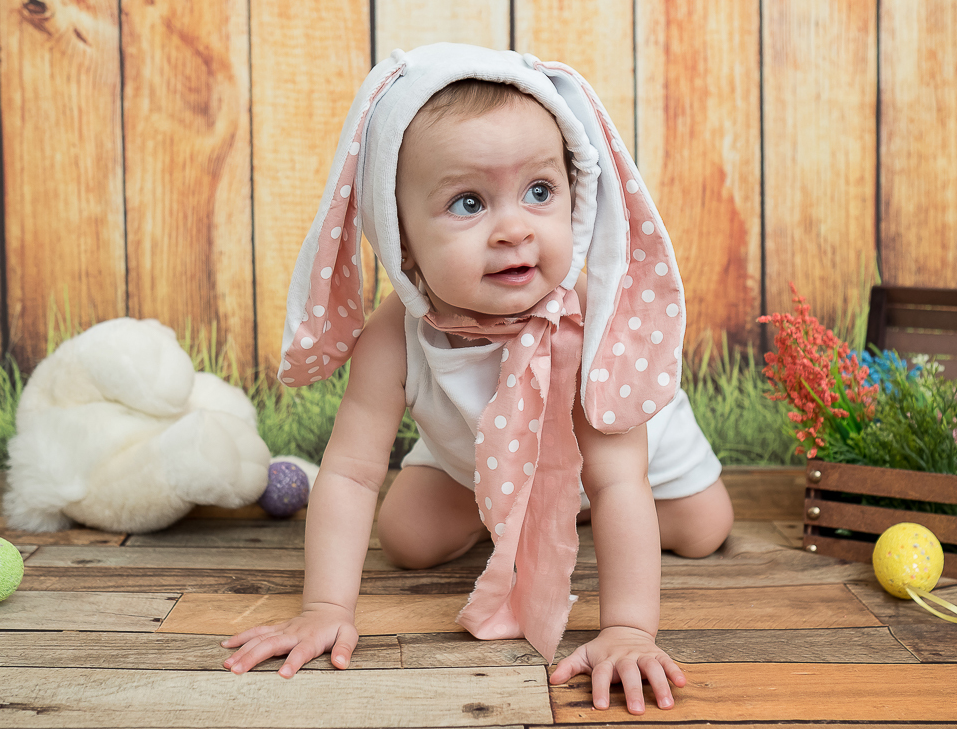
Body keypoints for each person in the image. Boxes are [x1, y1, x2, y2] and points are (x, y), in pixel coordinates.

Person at [221, 43, 733, 715]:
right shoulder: (395, 334)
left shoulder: (587, 335)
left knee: (704, 526)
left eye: (540, 192)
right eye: (468, 202)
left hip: (625, 454)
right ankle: (517, 507)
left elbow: (618, 481)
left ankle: (558, 509)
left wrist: (628, 630)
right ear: (400, 237)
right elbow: (348, 472)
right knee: (405, 538)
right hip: (475, 456)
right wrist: (324, 607)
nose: (514, 229)